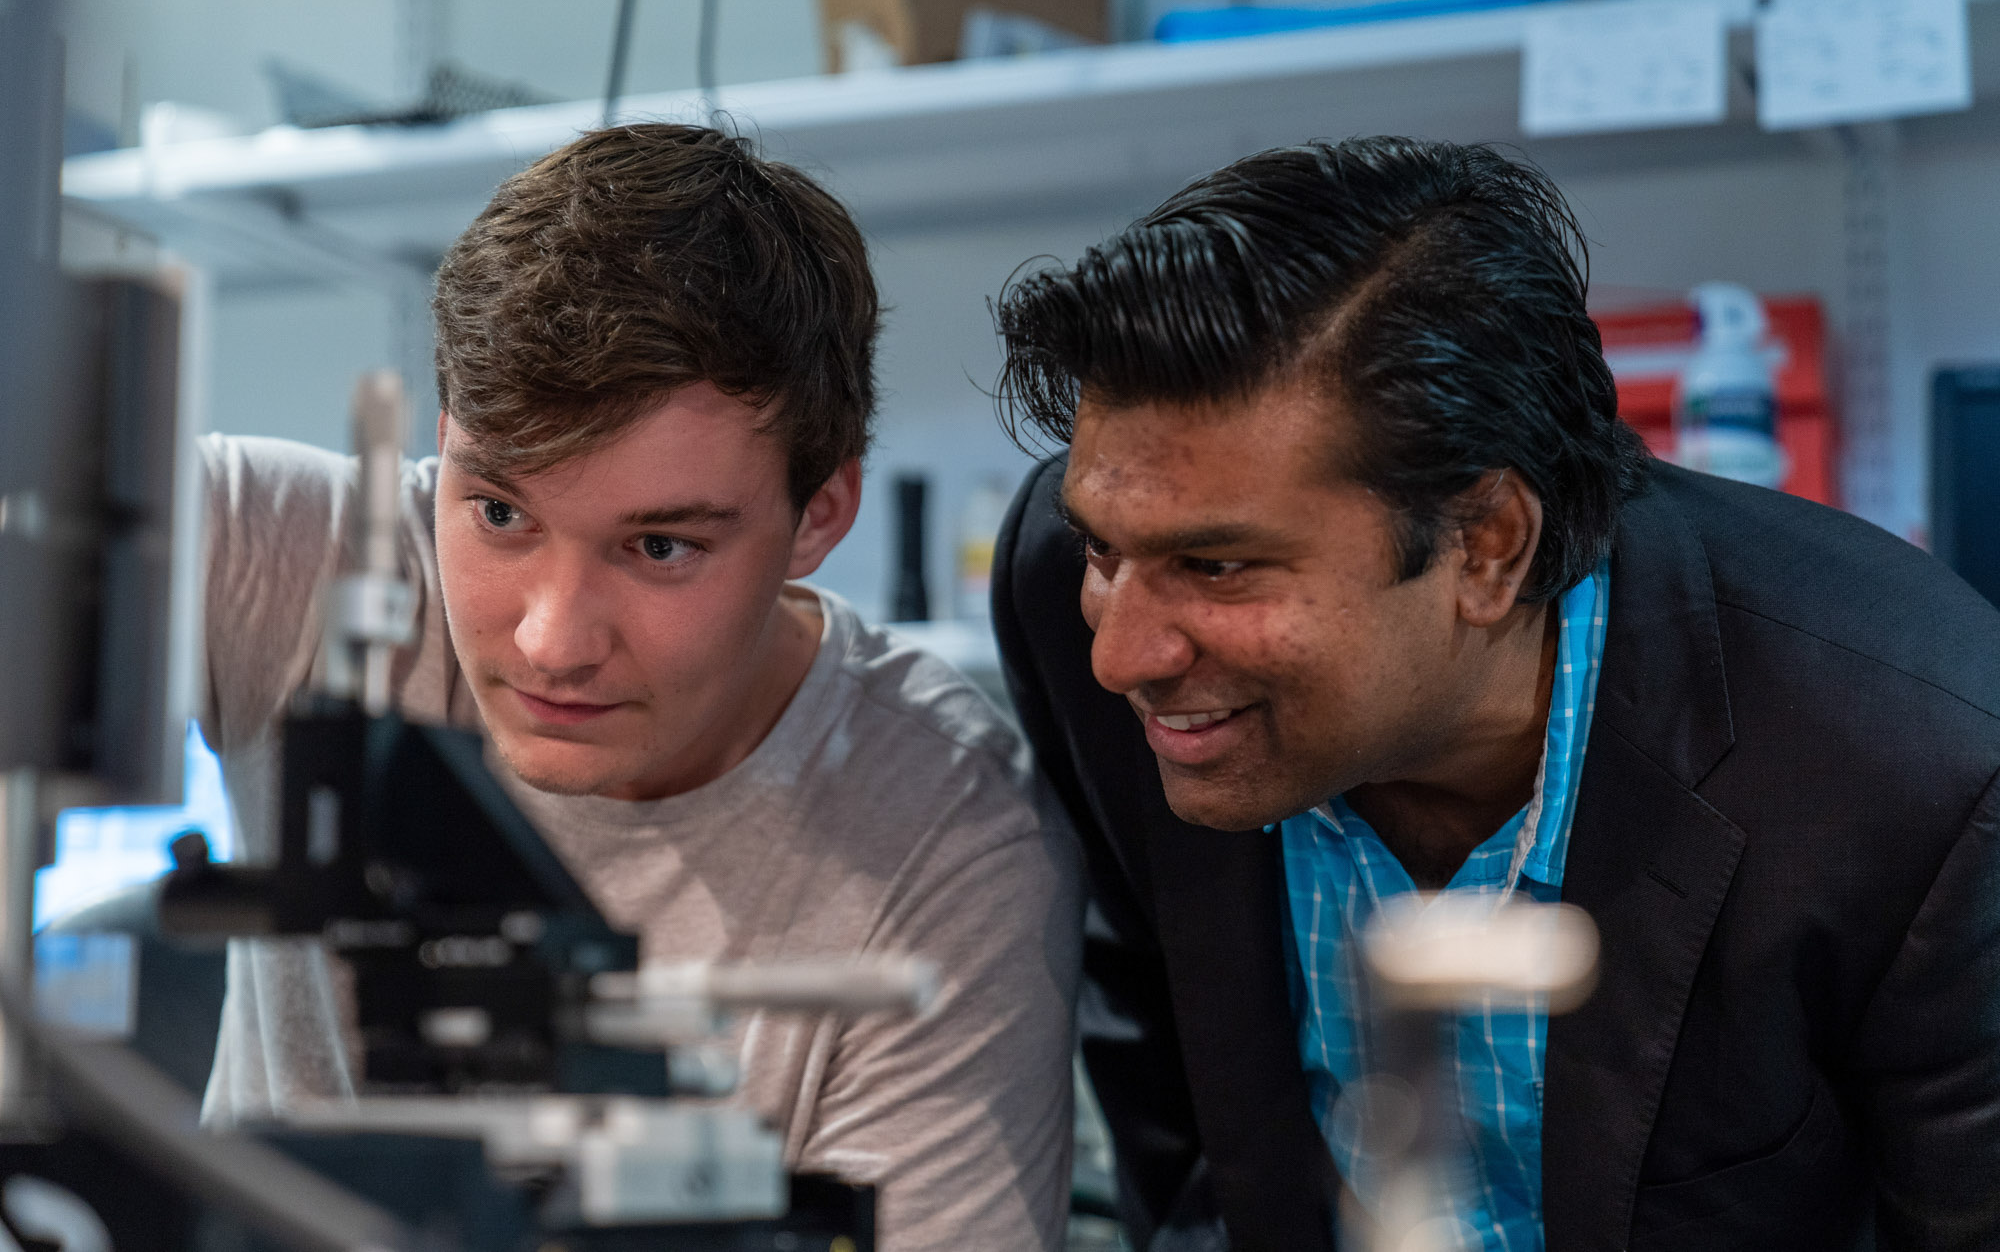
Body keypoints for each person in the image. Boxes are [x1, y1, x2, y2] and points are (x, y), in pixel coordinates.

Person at [989, 136, 2000, 1251]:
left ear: (1485, 546)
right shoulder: (1055, 584)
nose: (1121, 655)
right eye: (1104, 553)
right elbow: (1171, 1076)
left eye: (1218, 568)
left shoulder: (1912, 767)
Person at [196, 123, 1082, 1250]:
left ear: (821, 512)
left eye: (660, 546)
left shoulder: (947, 838)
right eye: (500, 513)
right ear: (443, 442)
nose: (552, 639)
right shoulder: (296, 553)